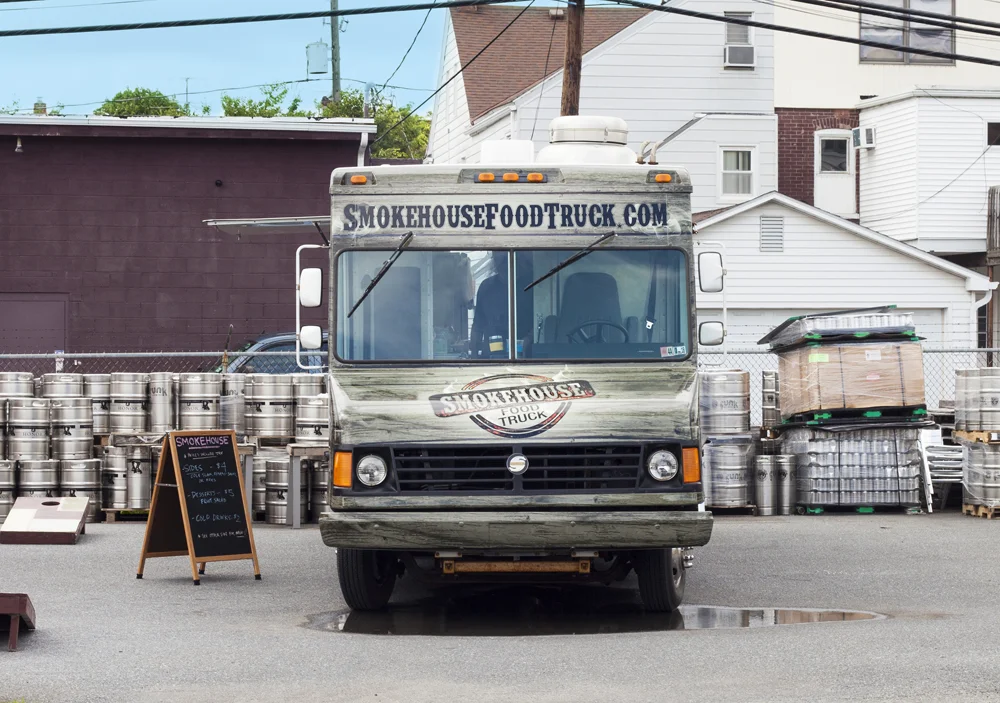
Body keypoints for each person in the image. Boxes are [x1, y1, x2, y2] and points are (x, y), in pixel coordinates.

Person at [470, 252, 509, 358]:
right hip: (490, 356)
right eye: (497, 258)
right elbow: (478, 325)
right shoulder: (486, 287)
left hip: (521, 357)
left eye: (504, 259)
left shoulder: (526, 286)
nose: (500, 263)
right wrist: (473, 357)